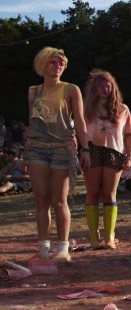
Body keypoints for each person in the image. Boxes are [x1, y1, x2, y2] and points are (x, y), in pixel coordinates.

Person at [23, 47, 90, 263]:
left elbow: (79, 121)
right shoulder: (33, 91)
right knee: (41, 199)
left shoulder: (71, 89)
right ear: (43, 64)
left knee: (60, 200)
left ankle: (63, 248)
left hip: (62, 147)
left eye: (62, 62)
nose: (58, 65)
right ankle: (43, 249)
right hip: (36, 148)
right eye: (53, 62)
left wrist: (85, 148)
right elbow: (32, 122)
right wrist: (25, 153)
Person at [83, 70, 131, 249]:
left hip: (114, 152)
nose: (105, 88)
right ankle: (94, 238)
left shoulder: (123, 109)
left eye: (108, 85)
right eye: (101, 85)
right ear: (94, 88)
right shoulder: (86, 108)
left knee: (109, 194)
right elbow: (78, 132)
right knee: (93, 193)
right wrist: (81, 151)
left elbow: (128, 135)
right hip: (91, 151)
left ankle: (109, 237)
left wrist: (130, 156)